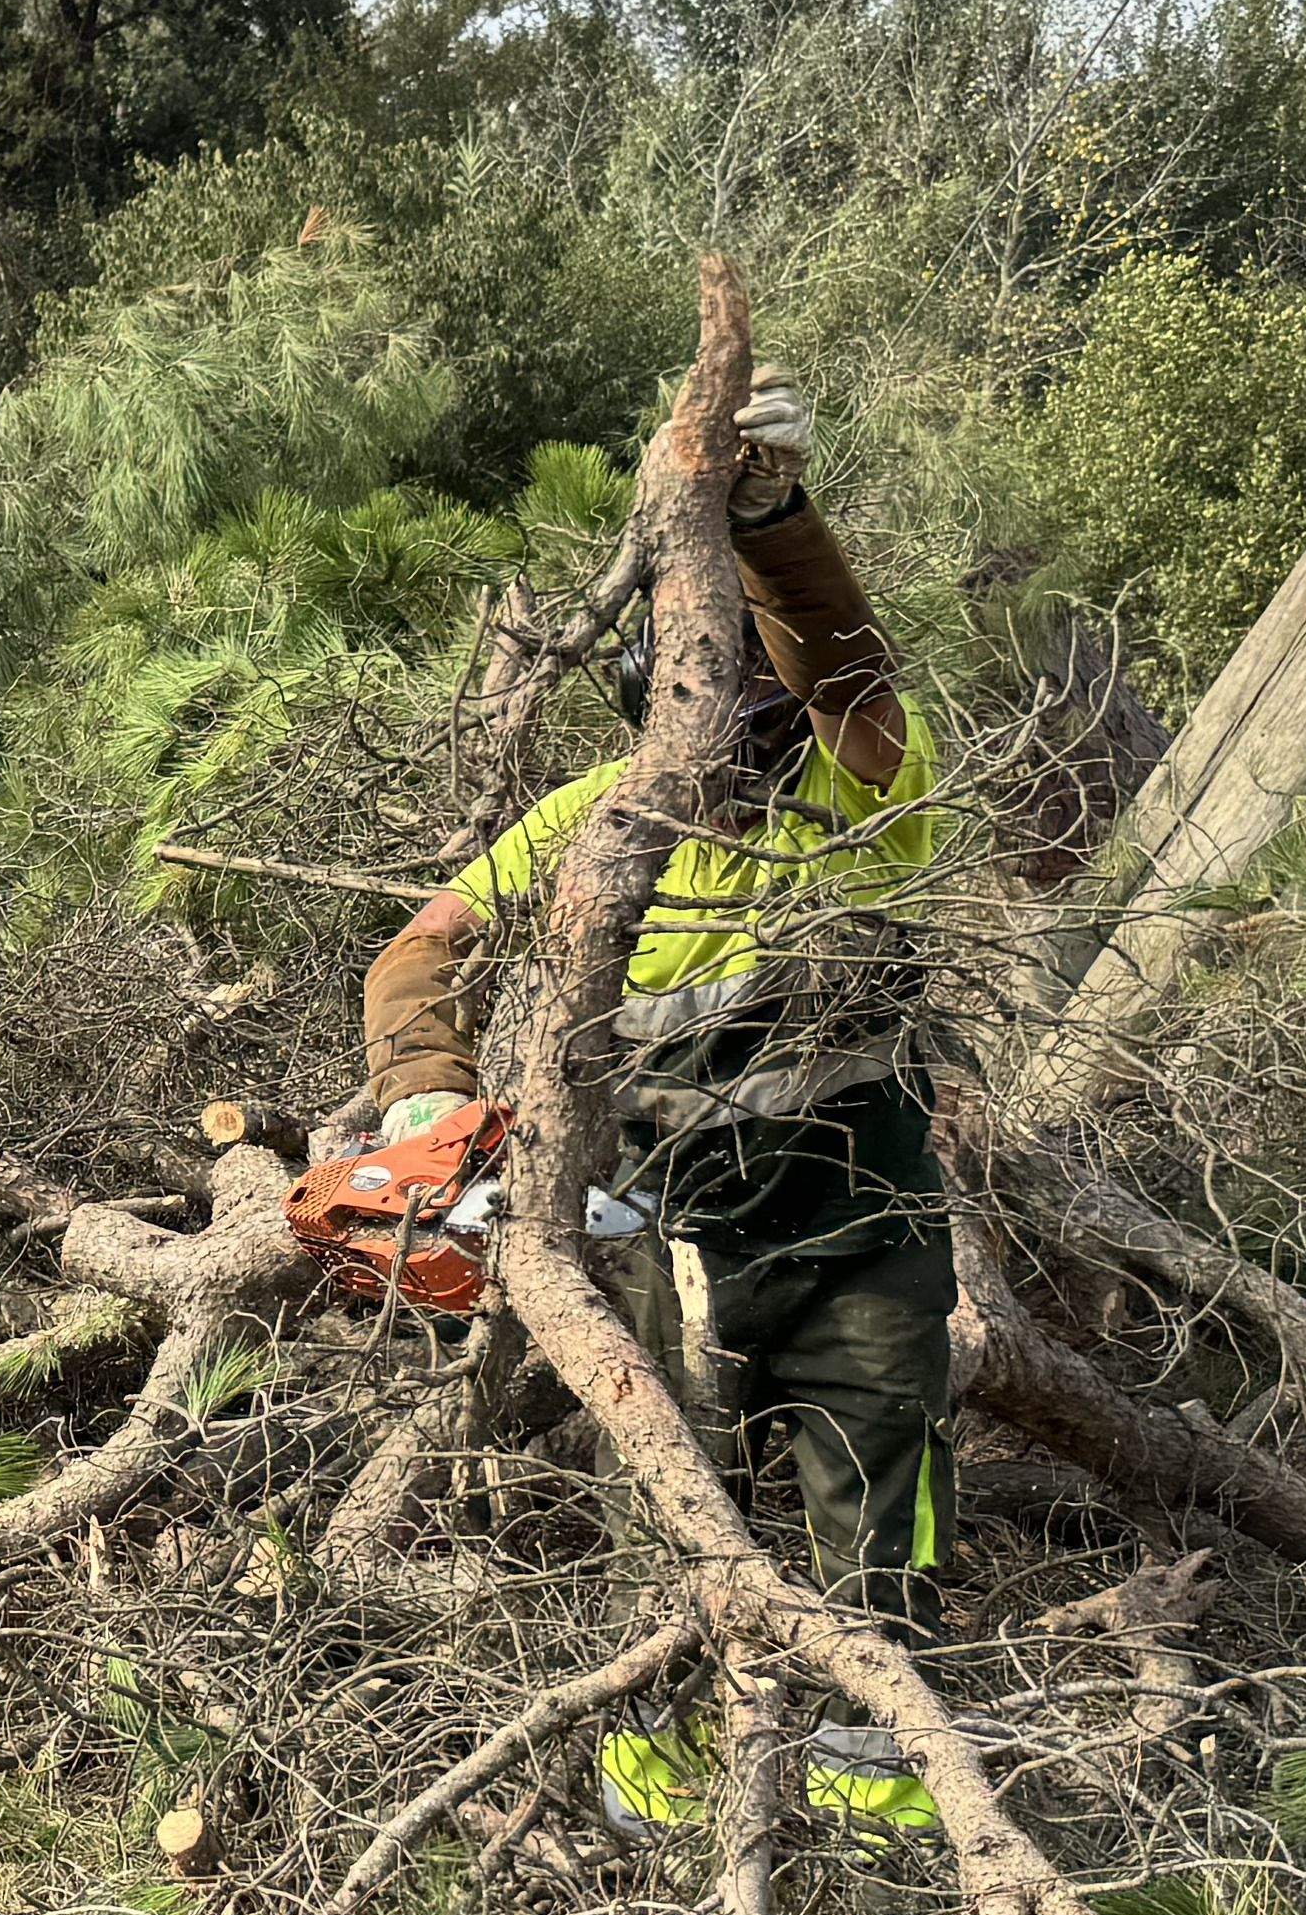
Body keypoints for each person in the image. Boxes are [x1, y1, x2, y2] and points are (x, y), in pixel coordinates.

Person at [357, 382, 956, 1800]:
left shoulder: (863, 792)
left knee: (882, 1540)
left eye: (763, 713)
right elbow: (420, 946)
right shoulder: (593, 821)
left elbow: (858, 685)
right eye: (707, 717)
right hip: (665, 1250)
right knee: (676, 1541)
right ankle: (665, 1810)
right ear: (651, 713)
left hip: (857, 1244)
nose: (743, 753)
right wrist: (421, 1099)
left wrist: (774, 523)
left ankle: (880, 1824)